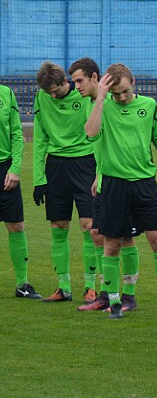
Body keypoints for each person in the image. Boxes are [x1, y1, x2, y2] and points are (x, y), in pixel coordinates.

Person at [84, 64, 157, 320]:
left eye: (125, 91)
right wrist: (101, 98)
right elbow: (90, 134)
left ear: (133, 82)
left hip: (144, 184)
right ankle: (114, 302)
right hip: (113, 185)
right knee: (111, 245)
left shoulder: (149, 106)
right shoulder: (102, 106)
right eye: (116, 93)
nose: (121, 97)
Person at [70, 58, 145, 313]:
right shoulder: (92, 105)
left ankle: (128, 296)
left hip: (121, 181)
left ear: (95, 78)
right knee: (98, 234)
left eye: (80, 80)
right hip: (104, 179)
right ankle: (106, 293)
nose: (76, 86)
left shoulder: (106, 103)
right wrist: (98, 175)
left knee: (125, 237)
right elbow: (97, 143)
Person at [33, 61, 97, 303]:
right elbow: (40, 137)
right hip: (56, 167)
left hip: (84, 163)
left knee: (89, 227)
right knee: (58, 228)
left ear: (66, 83)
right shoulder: (43, 97)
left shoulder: (85, 97)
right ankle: (63, 287)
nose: (52, 95)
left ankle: (91, 287)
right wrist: (39, 178)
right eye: (48, 91)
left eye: (56, 91)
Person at [0, 80, 34, 299]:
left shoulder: (6, 94)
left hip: (5, 169)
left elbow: (16, 133)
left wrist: (14, 168)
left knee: (16, 225)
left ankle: (22, 284)